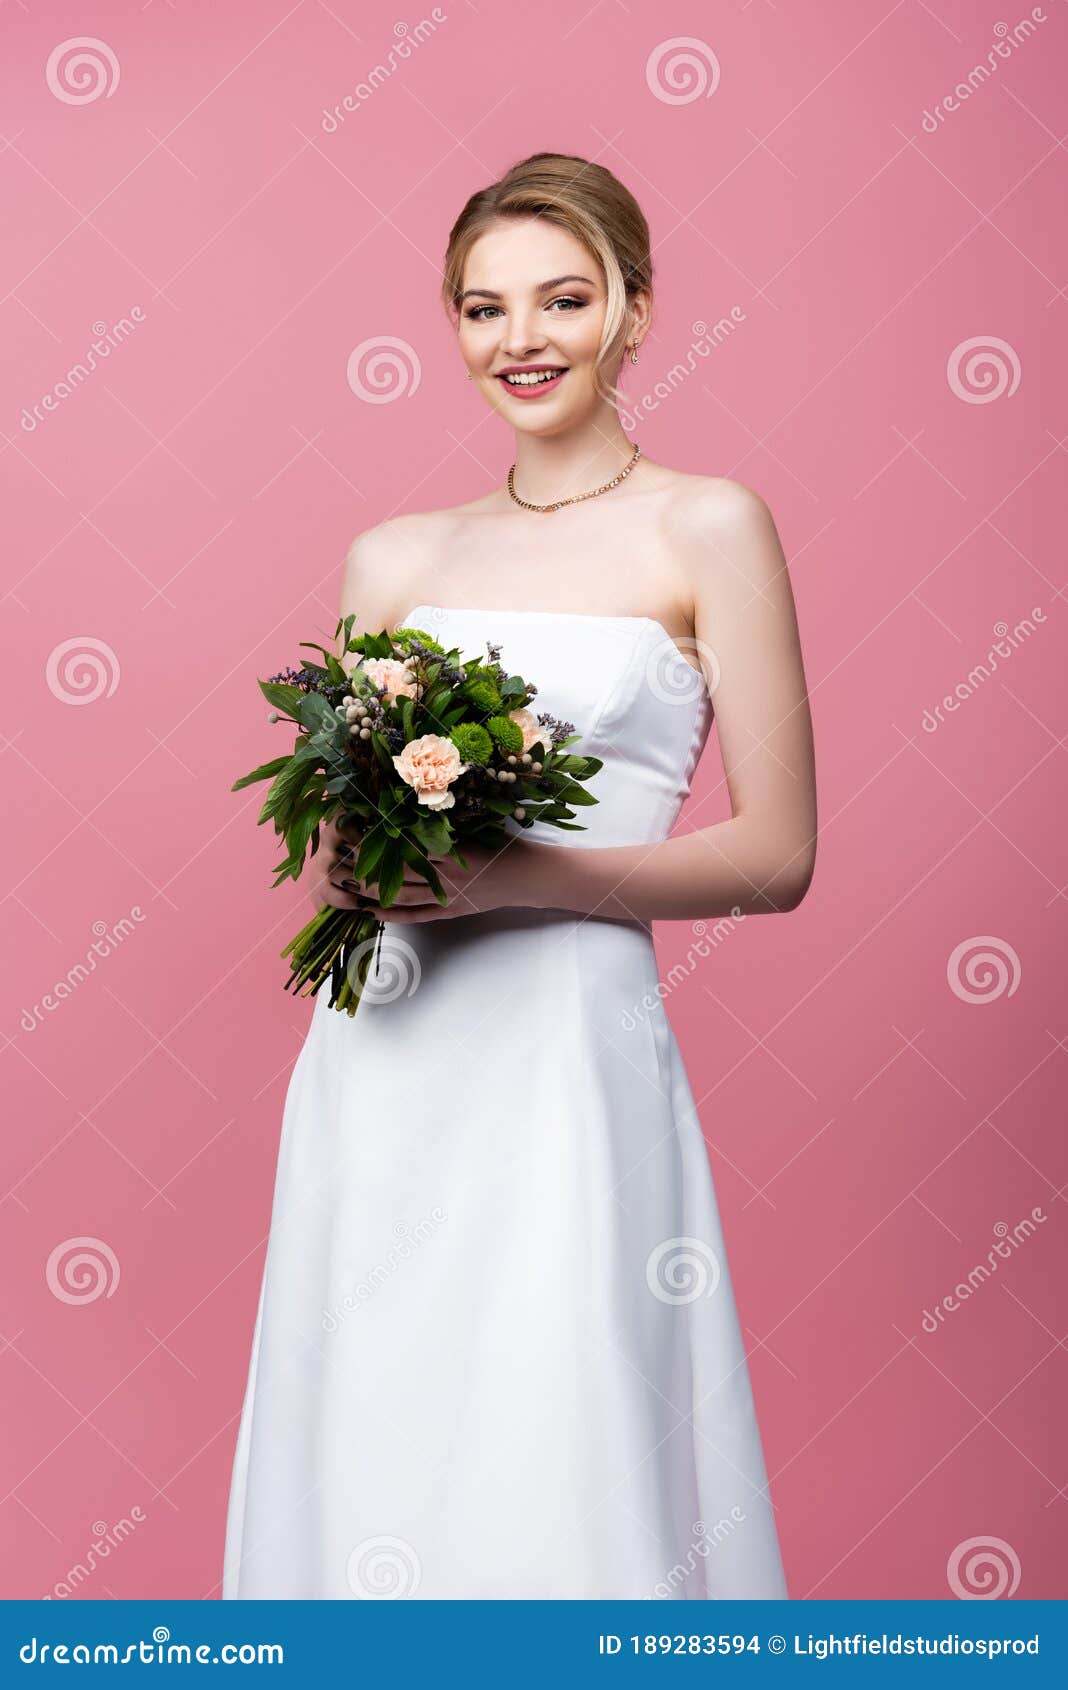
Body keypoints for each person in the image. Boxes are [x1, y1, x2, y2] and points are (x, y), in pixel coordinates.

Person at [223, 151, 816, 1600]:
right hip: (386, 1044)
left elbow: (780, 852)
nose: (522, 339)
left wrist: (520, 879)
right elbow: (332, 855)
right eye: (483, 309)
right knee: (374, 1405)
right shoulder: (396, 554)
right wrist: (359, 872)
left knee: (565, 1409)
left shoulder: (709, 525)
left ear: (636, 311)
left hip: (568, 1045)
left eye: (564, 298)